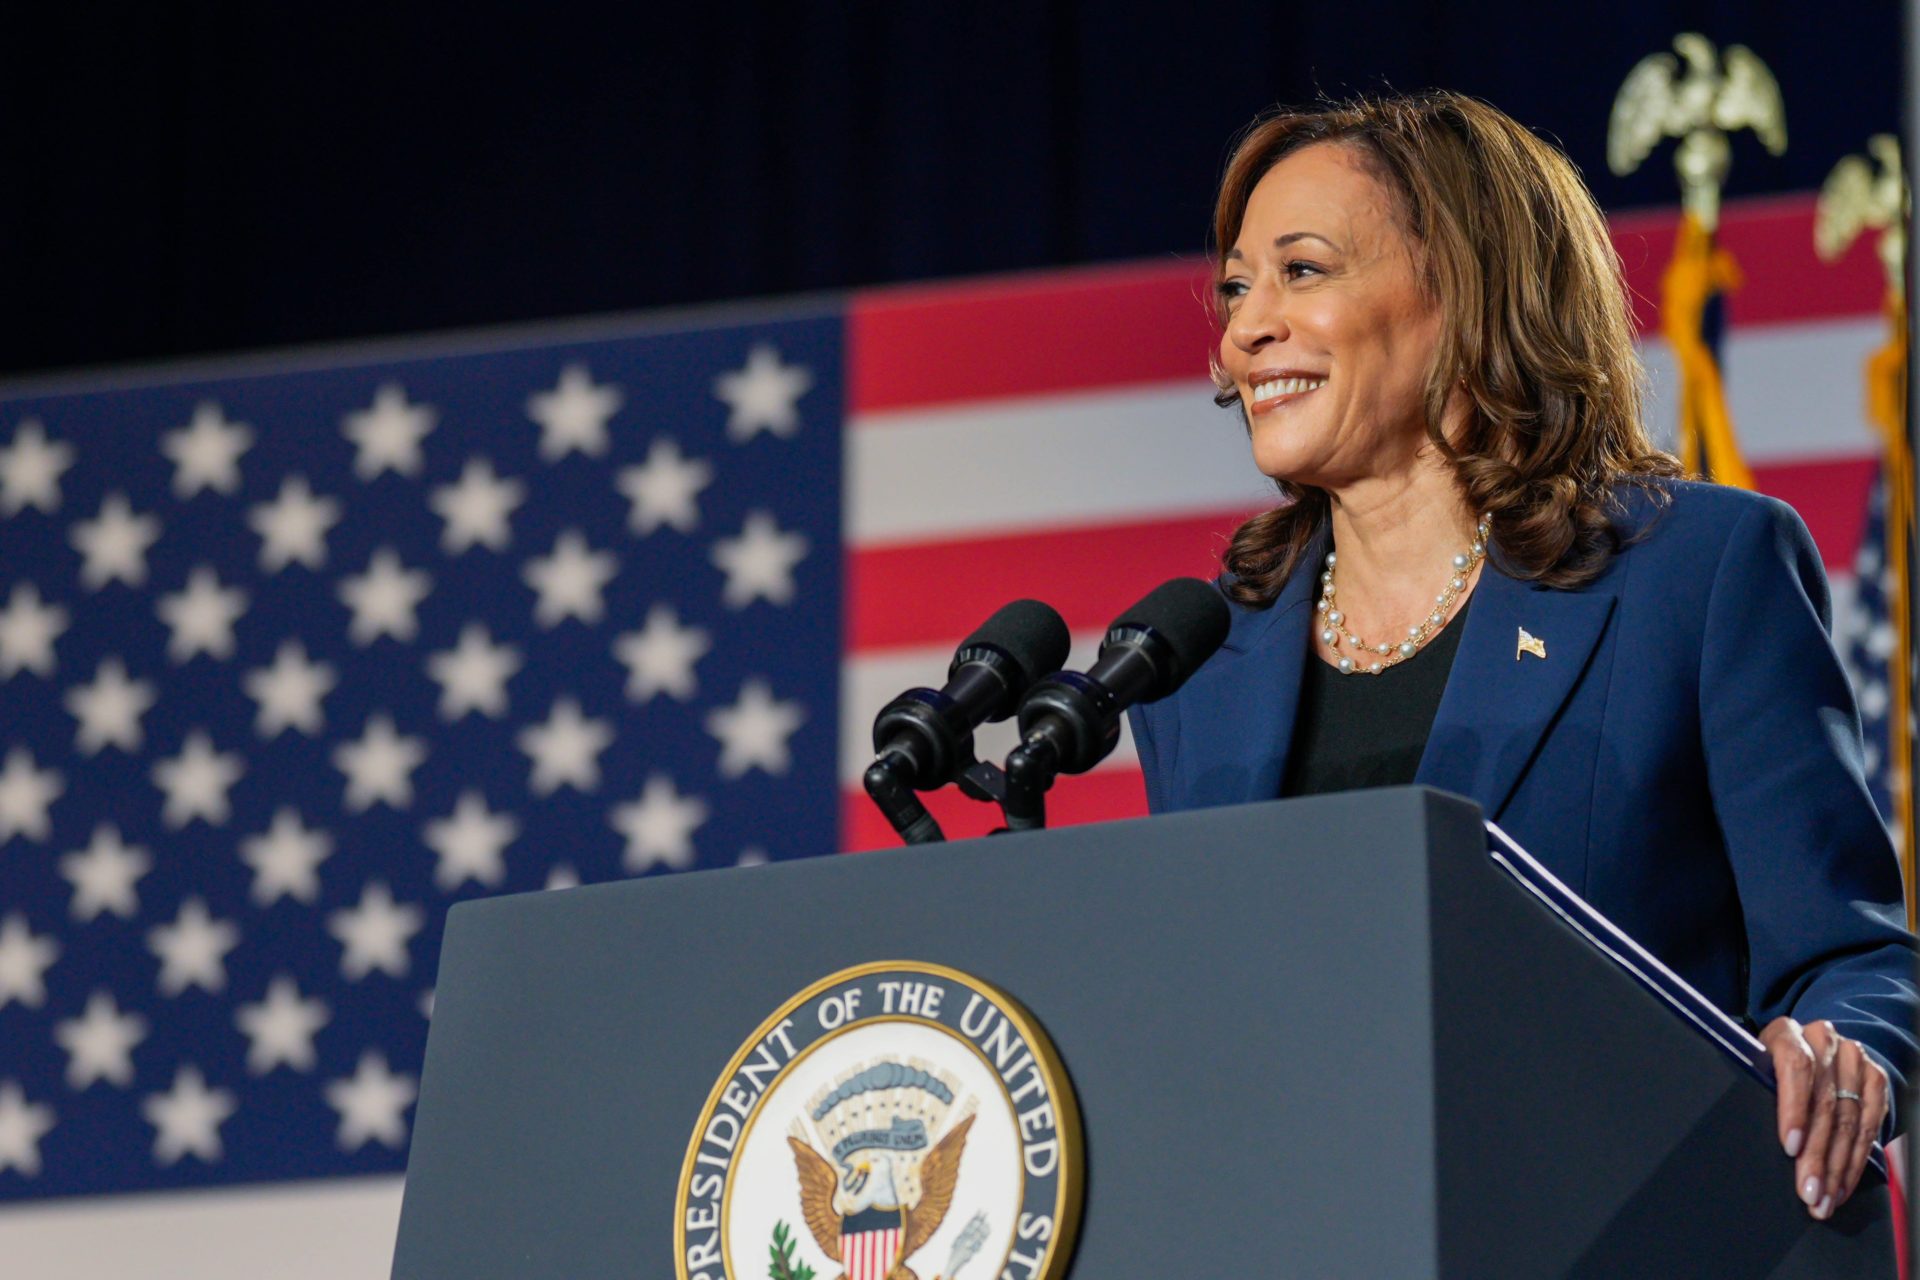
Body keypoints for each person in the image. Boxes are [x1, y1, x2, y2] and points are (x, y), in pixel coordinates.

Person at [1127, 91, 1918, 1221]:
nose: (1244, 328)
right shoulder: (1202, 666)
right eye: (1238, 287)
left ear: (1466, 286)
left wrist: (1850, 1053)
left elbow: (1852, 958)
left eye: (1302, 271)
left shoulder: (1694, 575)